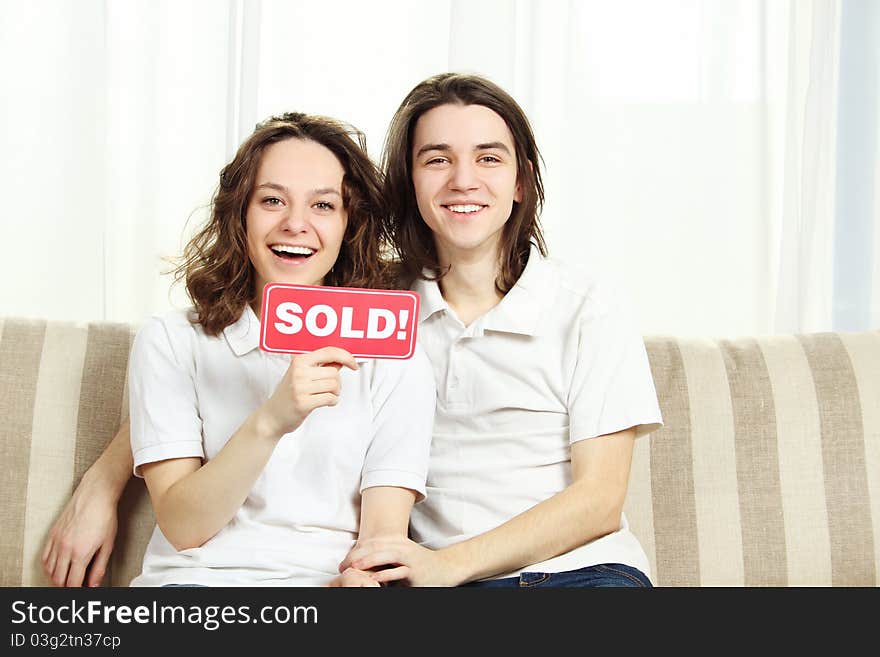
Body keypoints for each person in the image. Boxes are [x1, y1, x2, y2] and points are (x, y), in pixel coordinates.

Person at [43, 74, 662, 588]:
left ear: (521, 181)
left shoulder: (584, 307)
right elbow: (206, 354)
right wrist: (104, 480)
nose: (464, 180)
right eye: (437, 159)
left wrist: (439, 566)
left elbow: (600, 498)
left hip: (572, 574)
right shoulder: (378, 303)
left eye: (488, 159)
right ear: (408, 184)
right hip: (425, 582)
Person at [44, 111, 435, 587]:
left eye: (324, 206)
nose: (296, 224)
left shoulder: (394, 351)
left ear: (350, 223)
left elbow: (381, 538)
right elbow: (184, 527)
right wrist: (271, 421)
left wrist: (357, 583)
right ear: (240, 214)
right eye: (272, 200)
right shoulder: (172, 340)